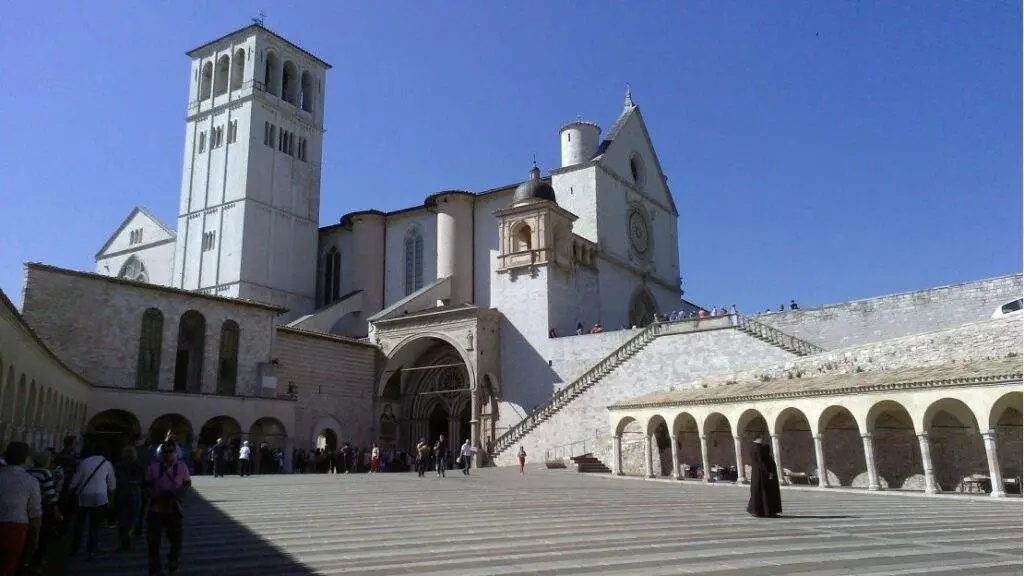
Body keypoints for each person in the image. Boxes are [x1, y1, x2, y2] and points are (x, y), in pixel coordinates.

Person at [145, 441, 191, 576]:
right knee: (153, 541)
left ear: (175, 453)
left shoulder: (182, 467)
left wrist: (178, 495)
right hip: (156, 508)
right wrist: (153, 495)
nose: (168, 454)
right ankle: (155, 567)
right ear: (160, 453)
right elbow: (147, 485)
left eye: (171, 451)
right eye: (165, 451)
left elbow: (186, 484)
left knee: (176, 540)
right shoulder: (153, 467)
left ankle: (173, 560)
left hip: (173, 507)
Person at [0, 442, 42, 576]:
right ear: (26, 458)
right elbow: (35, 514)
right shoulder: (30, 481)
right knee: (9, 566)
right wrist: (35, 539)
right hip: (15, 529)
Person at [68, 445, 116, 560]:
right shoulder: (107, 463)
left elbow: (76, 479)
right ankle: (91, 549)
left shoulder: (85, 462)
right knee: (95, 524)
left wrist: (70, 488)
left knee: (80, 523)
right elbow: (112, 483)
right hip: (100, 496)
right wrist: (111, 493)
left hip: (84, 495)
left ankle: (75, 547)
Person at [26, 450, 62, 571]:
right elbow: (50, 494)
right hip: (42, 507)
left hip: (27, 506)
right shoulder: (45, 473)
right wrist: (56, 509)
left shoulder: (28, 471)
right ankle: (38, 560)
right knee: (44, 534)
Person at [115, 445, 145, 551]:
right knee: (134, 516)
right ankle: (129, 535)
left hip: (122, 492)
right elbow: (142, 479)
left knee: (122, 517)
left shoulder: (119, 465)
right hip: (135, 492)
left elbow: (116, 479)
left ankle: (124, 539)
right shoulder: (138, 465)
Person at [746, 434, 782, 518]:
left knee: (757, 492)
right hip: (761, 474)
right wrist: (767, 472)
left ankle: (757, 511)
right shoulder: (758, 447)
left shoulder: (752, 447)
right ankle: (765, 511)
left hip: (756, 473)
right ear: (759, 438)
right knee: (764, 492)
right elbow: (760, 461)